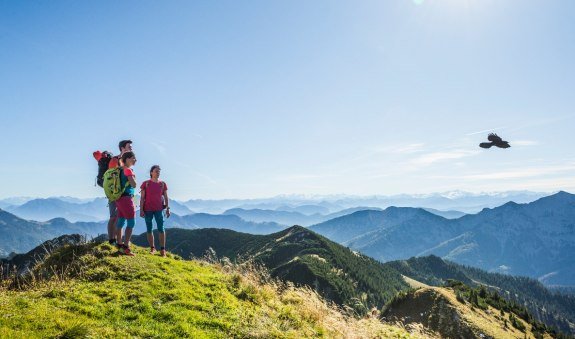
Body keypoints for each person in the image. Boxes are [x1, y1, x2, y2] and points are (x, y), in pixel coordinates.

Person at [93, 140, 133, 246]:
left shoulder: (126, 161)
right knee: (114, 216)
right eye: (129, 147)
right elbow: (111, 177)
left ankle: (118, 240)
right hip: (115, 193)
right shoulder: (115, 160)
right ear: (122, 148)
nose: (131, 148)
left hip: (124, 193)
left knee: (120, 216)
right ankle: (112, 240)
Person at [140, 165, 170, 256]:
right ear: (151, 172)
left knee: (161, 228)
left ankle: (162, 249)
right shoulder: (145, 183)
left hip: (159, 209)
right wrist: (141, 210)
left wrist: (168, 208)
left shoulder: (163, 184)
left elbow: (166, 197)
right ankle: (152, 248)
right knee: (149, 228)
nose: (158, 173)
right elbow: (142, 198)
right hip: (147, 209)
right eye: (156, 171)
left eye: (159, 171)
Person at [115, 151, 138, 256]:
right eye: (133, 158)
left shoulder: (118, 170)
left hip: (118, 198)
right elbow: (133, 185)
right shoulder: (128, 170)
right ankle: (126, 247)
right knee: (131, 222)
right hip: (127, 198)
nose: (135, 160)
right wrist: (133, 176)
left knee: (120, 221)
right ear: (127, 159)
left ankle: (119, 245)